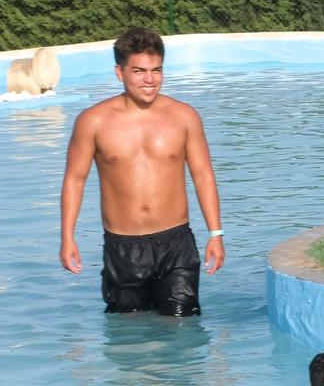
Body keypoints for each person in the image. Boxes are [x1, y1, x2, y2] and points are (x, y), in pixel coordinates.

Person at [59, 27, 223, 315]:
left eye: (156, 70)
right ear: (119, 73)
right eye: (139, 71)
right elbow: (75, 179)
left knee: (183, 329)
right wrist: (67, 237)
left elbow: (203, 174)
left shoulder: (184, 116)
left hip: (176, 244)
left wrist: (216, 233)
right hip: (123, 246)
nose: (150, 80)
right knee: (129, 335)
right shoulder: (92, 122)